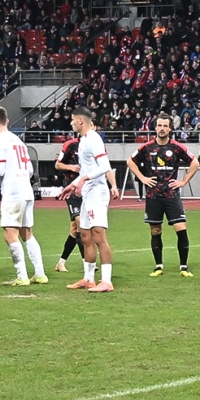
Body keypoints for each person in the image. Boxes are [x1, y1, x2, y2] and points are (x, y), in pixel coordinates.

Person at [0, 106, 45, 286]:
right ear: (7, 121)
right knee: (27, 233)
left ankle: (22, 276)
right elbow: (30, 170)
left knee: (10, 234)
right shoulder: (19, 141)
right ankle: (40, 274)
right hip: (27, 191)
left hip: (13, 192)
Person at [129, 115, 199, 277]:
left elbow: (195, 163)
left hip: (171, 195)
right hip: (153, 196)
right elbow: (130, 161)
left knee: (181, 228)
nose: (162, 129)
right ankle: (158, 266)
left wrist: (183, 181)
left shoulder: (176, 147)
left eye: (165, 126)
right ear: (155, 128)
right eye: (159, 125)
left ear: (170, 129)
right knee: (155, 230)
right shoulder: (146, 147)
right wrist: (142, 178)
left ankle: (184, 267)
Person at [64, 107, 119, 292]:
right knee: (85, 235)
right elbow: (85, 170)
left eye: (73, 119)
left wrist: (85, 179)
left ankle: (107, 281)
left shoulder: (94, 139)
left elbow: (104, 166)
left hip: (97, 192)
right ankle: (88, 279)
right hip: (87, 193)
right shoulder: (83, 140)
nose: (71, 123)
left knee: (98, 235)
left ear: (81, 121)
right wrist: (73, 184)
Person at [53, 134, 84, 273]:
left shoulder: (94, 144)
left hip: (86, 190)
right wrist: (71, 167)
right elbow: (58, 165)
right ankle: (87, 262)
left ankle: (61, 263)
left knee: (74, 230)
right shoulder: (70, 145)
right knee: (80, 223)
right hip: (71, 190)